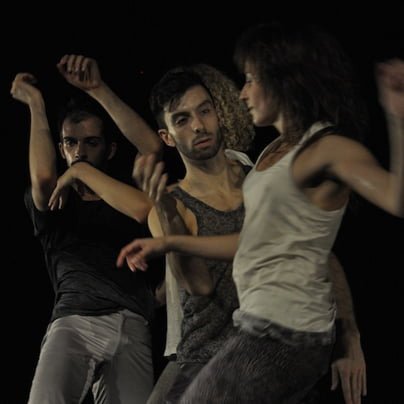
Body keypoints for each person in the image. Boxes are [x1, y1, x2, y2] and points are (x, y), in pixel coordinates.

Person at [117, 22, 404, 403]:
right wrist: (167, 242)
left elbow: (394, 198)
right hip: (252, 330)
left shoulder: (325, 148)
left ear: (284, 79)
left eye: (251, 79)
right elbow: (253, 243)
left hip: (286, 332)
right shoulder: (271, 156)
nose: (242, 93)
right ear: (169, 135)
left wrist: (397, 117)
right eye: (183, 119)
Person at [11, 53, 162, 404]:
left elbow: (151, 148)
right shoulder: (56, 201)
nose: (79, 151)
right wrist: (35, 104)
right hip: (75, 320)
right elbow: (43, 177)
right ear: (61, 148)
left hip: (132, 323)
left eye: (91, 142)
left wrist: (98, 89)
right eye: (71, 143)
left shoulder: (124, 192)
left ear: (109, 149)